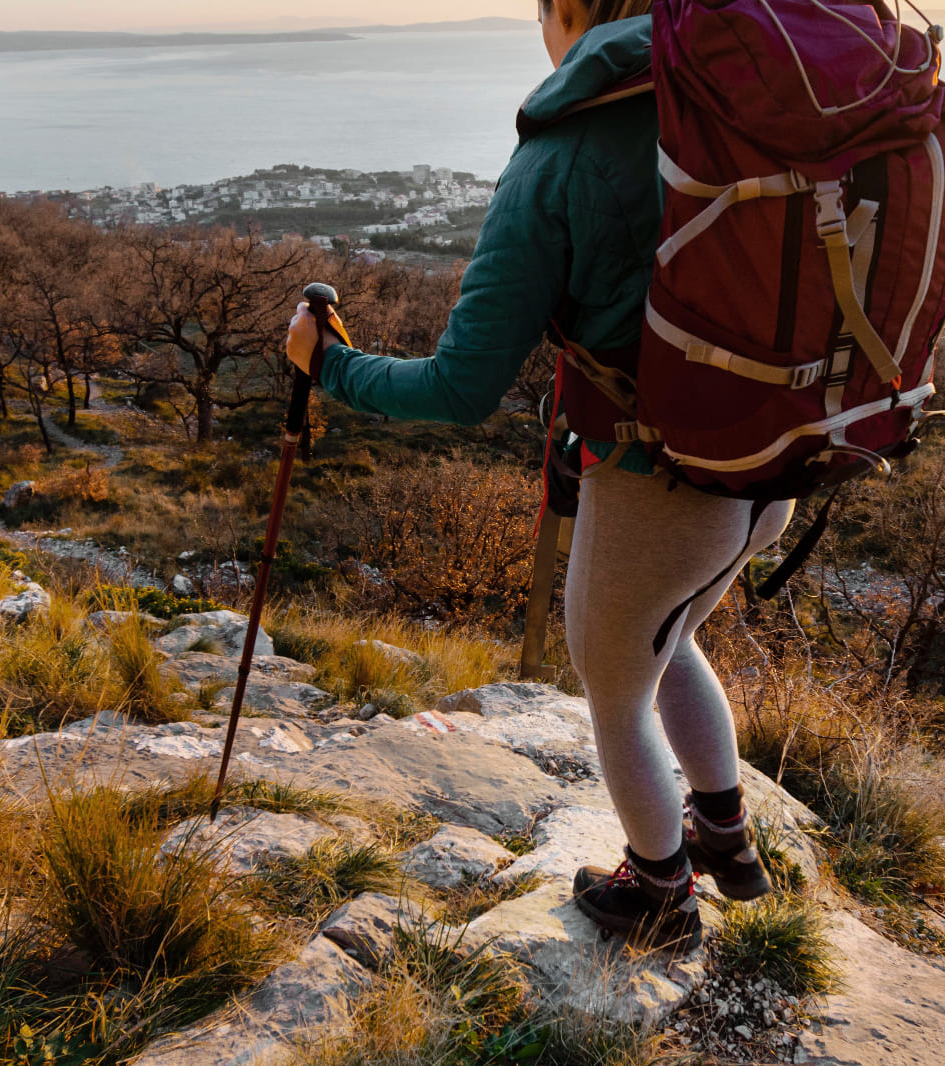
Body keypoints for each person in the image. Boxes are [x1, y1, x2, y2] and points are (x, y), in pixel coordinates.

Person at [286, 0, 794, 953]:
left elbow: (459, 387)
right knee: (669, 632)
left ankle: (659, 892)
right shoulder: (744, 101)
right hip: (775, 452)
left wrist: (329, 366)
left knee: (613, 685)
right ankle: (722, 831)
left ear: (569, 10)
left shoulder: (565, 150)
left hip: (658, 472)